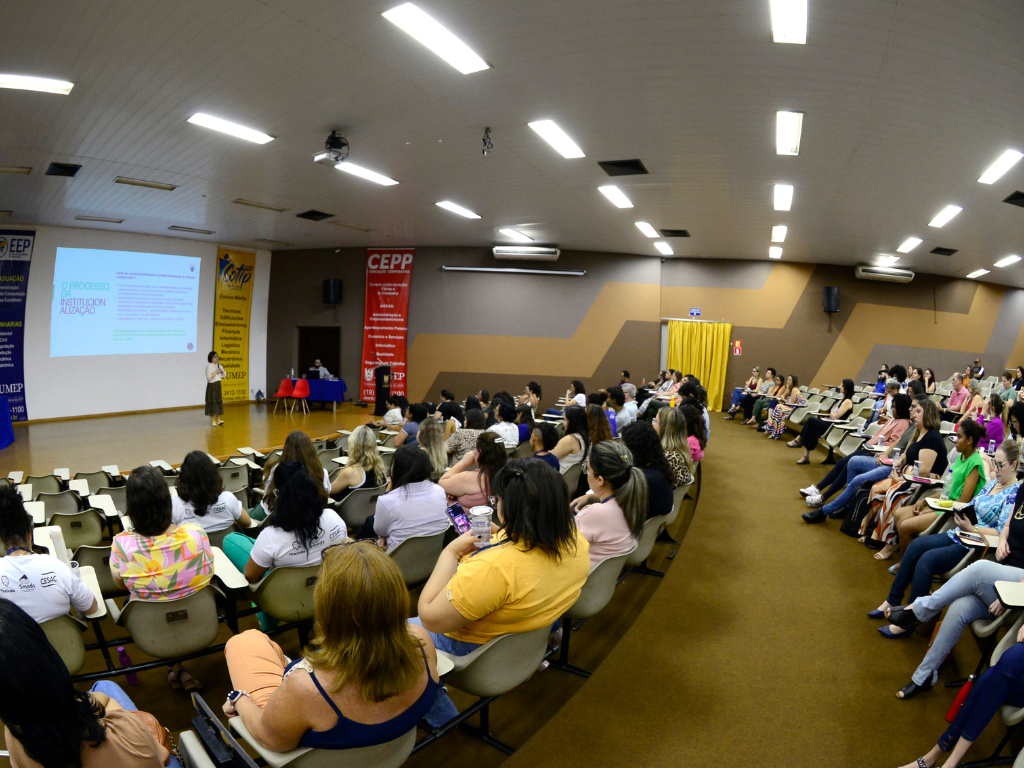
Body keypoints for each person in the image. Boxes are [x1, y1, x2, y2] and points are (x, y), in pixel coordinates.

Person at [414, 459, 591, 724]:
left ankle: (440, 714)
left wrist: (450, 552)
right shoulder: (576, 541)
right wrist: (504, 537)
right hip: (522, 639)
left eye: (498, 499)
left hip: (474, 651)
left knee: (393, 635)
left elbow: (429, 616)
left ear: (510, 509)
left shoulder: (494, 569)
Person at [222, 542, 443, 748]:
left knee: (243, 641)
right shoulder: (420, 642)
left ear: (328, 609)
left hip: (319, 730)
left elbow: (271, 740)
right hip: (391, 746)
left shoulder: (305, 686)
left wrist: (238, 700)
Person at [0, 600, 174, 768]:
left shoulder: (15, 738)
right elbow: (162, 756)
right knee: (106, 687)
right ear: (49, 656)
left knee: (103, 687)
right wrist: (91, 701)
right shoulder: (125, 729)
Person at [875, 439, 1019, 642]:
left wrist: (972, 527)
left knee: (927, 560)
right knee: (916, 546)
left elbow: (1001, 532)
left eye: (1001, 465)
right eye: (995, 463)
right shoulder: (994, 483)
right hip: (961, 533)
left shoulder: (1015, 493)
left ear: (1014, 465)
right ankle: (892, 600)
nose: (996, 470)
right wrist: (964, 515)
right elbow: (975, 505)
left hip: (975, 544)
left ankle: (908, 620)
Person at [111, 465, 213, 691]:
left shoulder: (122, 544)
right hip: (198, 618)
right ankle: (178, 669)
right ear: (167, 500)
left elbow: (120, 584)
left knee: (137, 600)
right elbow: (209, 572)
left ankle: (176, 668)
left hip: (151, 628)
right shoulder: (196, 534)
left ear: (132, 508)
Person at [222, 462, 346, 583]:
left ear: (279, 496)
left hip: (281, 599)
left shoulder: (270, 537)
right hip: (326, 589)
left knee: (231, 540)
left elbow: (250, 576)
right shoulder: (334, 518)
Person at [862, 399, 950, 560]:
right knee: (876, 489)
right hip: (908, 475)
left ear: (928, 415)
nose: (914, 415)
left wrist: (901, 476)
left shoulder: (932, 437)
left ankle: (890, 543)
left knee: (893, 494)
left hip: (926, 482)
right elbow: (904, 456)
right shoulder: (917, 433)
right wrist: (897, 468)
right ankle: (873, 532)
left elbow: (923, 471)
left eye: (918, 412)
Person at [801, 393, 913, 518]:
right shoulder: (894, 419)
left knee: (845, 465)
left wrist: (877, 445)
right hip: (871, 448)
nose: (892, 409)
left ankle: (825, 496)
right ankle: (837, 498)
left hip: (877, 453)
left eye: (895, 407)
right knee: (844, 463)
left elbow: (893, 445)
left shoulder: (903, 423)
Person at [0, 485, 97, 622]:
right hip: (64, 643)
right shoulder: (55, 565)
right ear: (29, 534)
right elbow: (91, 607)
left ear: (2, 540)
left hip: (15, 643)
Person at [570, 441, 646, 565]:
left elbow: (564, 550)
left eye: (587, 469)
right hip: (602, 578)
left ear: (600, 480)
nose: (586, 473)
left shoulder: (594, 513)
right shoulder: (633, 499)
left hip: (583, 578)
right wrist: (590, 497)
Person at [359, 446, 448, 551]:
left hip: (395, 562)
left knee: (366, 530)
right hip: (434, 557)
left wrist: (389, 488)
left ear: (396, 469)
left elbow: (379, 531)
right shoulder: (440, 491)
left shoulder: (388, 500)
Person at [173, 450, 252, 532]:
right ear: (213, 474)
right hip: (224, 544)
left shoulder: (176, 505)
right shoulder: (228, 499)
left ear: (183, 477)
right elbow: (247, 522)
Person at [787, 378, 854, 463]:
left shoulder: (847, 401)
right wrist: (832, 414)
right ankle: (805, 454)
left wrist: (832, 414)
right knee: (810, 425)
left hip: (835, 427)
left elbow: (835, 415)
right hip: (831, 423)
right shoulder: (843, 400)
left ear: (847, 388)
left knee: (811, 421)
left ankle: (799, 441)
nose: (840, 387)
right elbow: (833, 413)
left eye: (842, 386)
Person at [620, 422, 675, 520]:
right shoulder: (660, 466)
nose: (624, 453)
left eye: (626, 449)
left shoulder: (644, 480)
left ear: (636, 450)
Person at [438, 432, 507, 509]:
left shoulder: (472, 478)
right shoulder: (507, 475)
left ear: (480, 453)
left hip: (463, 519)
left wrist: (463, 462)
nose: (473, 452)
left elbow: (441, 484)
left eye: (475, 448)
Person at [329, 425, 386, 501]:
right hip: (371, 511)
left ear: (353, 446)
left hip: (343, 512)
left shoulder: (350, 472)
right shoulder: (380, 471)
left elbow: (328, 491)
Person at [653, 406, 695, 487]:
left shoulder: (667, 458)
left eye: (655, 421)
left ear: (665, 428)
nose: (653, 425)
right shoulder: (680, 450)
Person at [552, 405, 591, 475]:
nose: (563, 423)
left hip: (558, 478)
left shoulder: (571, 439)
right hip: (572, 482)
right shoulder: (587, 438)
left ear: (572, 422)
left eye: (564, 420)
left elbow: (548, 458)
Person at [205, 351, 225, 427]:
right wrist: (216, 371)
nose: (216, 358)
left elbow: (224, 375)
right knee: (212, 403)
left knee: (218, 402)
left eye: (217, 356)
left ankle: (219, 419)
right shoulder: (209, 366)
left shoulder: (219, 365)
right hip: (212, 386)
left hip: (218, 385)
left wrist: (221, 371)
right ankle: (213, 420)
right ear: (211, 358)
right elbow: (209, 377)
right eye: (214, 357)